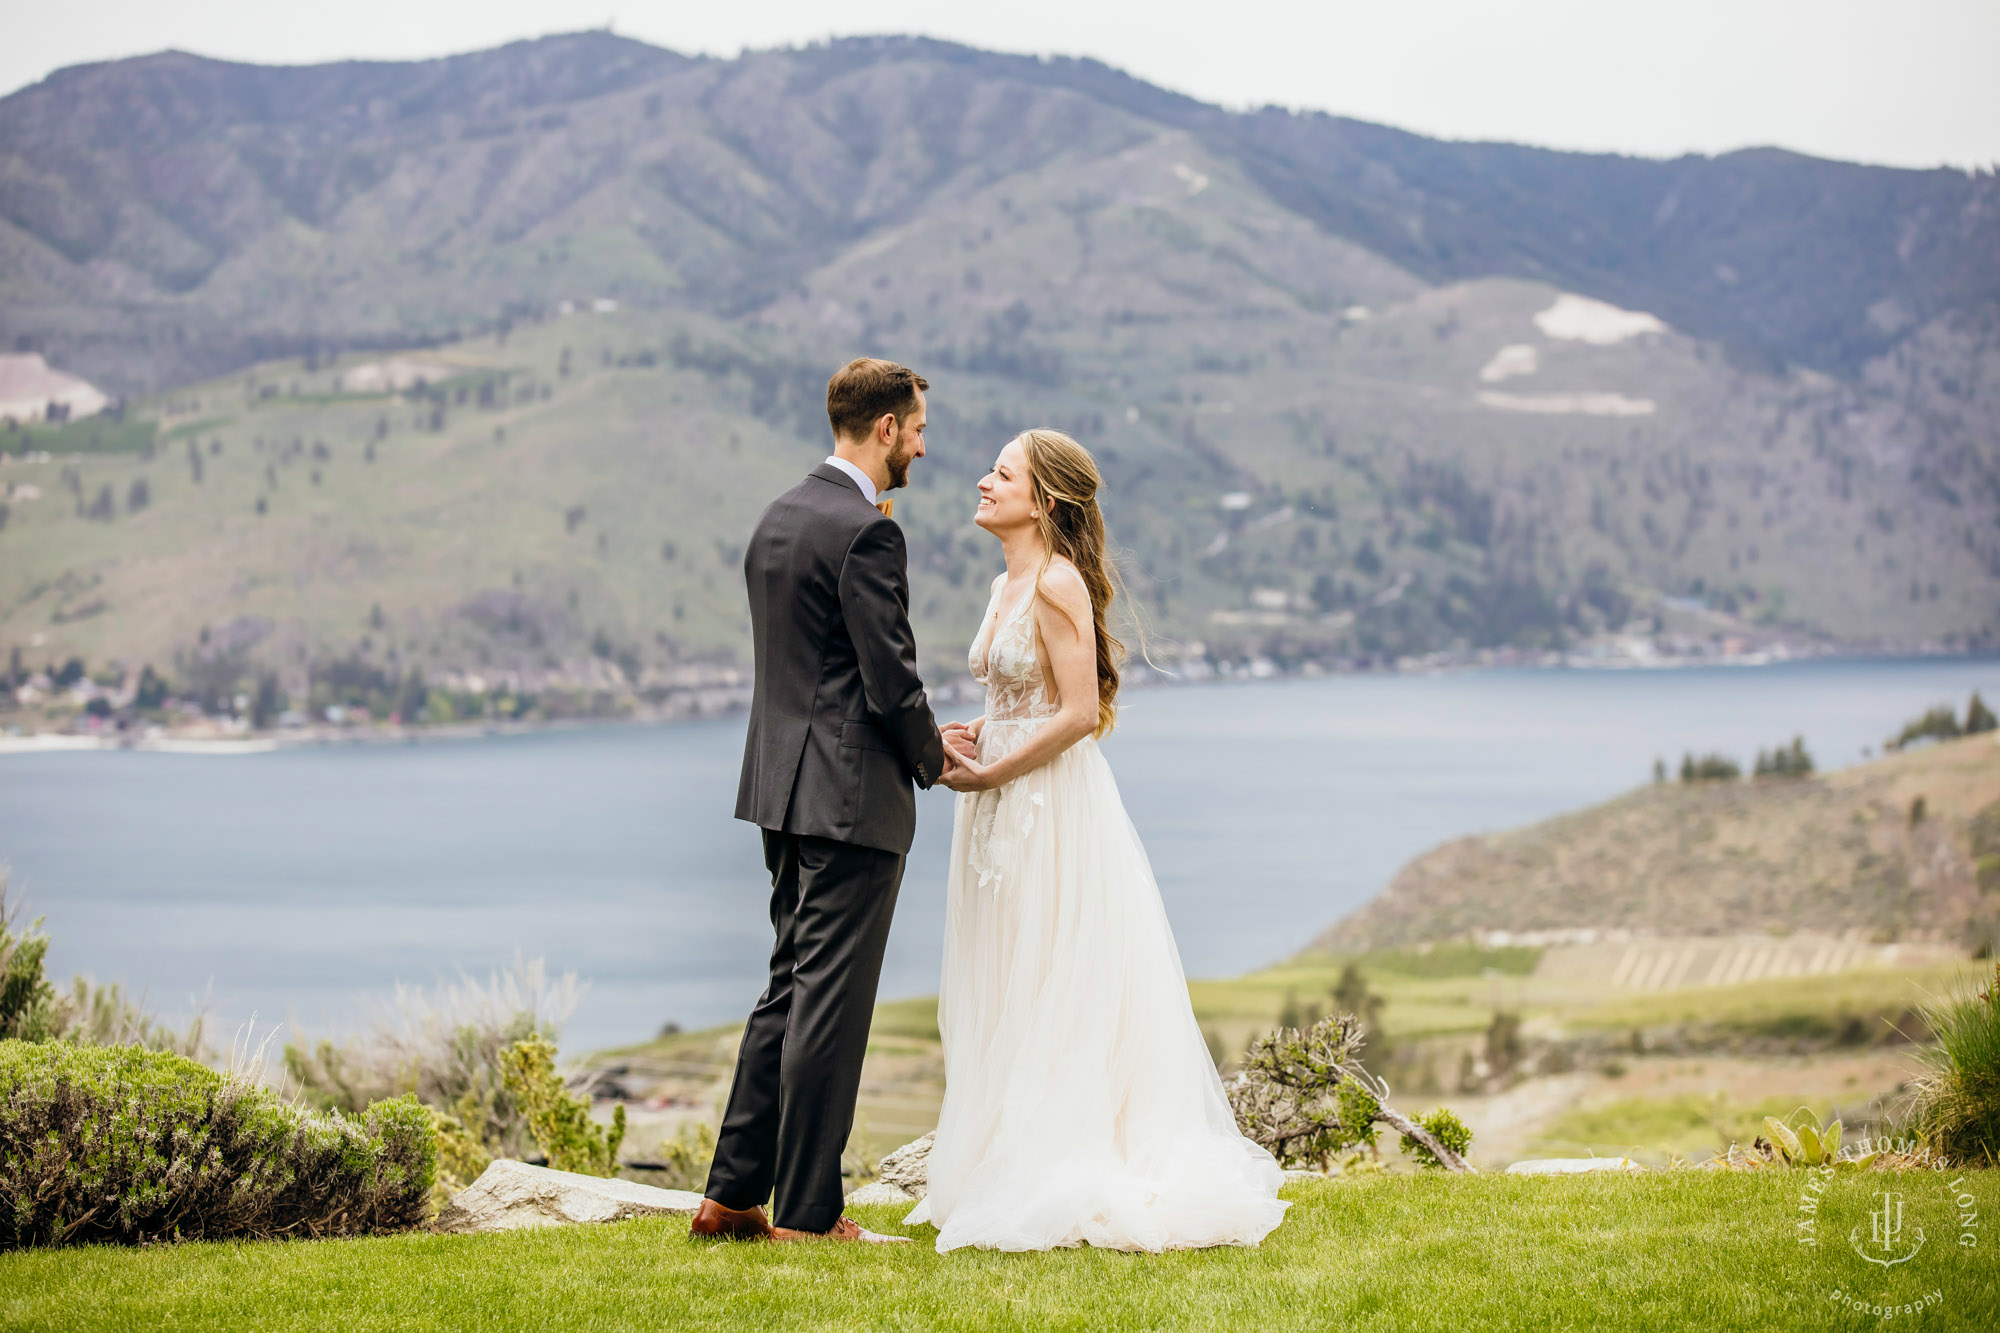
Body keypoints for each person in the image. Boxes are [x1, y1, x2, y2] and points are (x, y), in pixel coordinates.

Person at [909, 428, 1288, 1253]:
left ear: (1041, 499)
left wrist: (999, 768)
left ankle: (1057, 1159)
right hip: (999, 796)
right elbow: (1028, 695)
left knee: (1052, 969)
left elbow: (1079, 713)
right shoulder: (1003, 580)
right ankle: (998, 1155)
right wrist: (984, 729)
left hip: (1046, 802)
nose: (982, 481)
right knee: (1007, 967)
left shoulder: (1057, 581)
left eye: (1001, 474)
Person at [691, 358, 962, 1244]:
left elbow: (809, 671)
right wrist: (938, 758)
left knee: (787, 986)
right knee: (830, 1003)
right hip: (850, 800)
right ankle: (810, 1214)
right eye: (917, 427)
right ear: (884, 427)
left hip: (781, 788)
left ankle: (732, 1196)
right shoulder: (867, 533)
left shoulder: (779, 518)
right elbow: (889, 681)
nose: (923, 443)